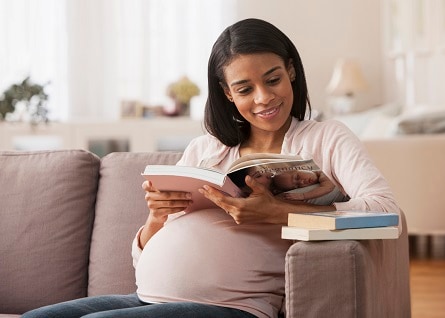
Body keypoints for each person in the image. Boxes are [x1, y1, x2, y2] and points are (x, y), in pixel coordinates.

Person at [22, 18, 400, 318]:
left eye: (273, 80)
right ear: (226, 94)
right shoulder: (206, 148)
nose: (264, 98)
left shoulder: (327, 137)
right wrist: (156, 218)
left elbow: (385, 210)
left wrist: (278, 212)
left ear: (291, 71)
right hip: (149, 297)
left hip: (235, 307)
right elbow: (145, 256)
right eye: (245, 88)